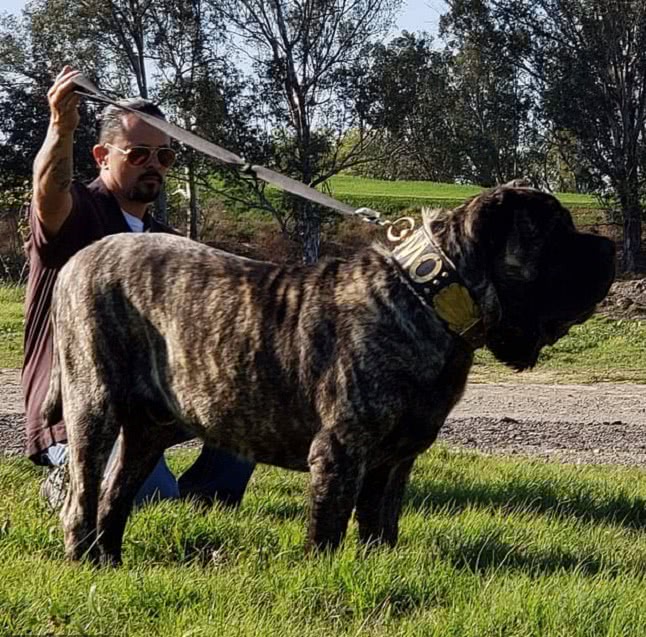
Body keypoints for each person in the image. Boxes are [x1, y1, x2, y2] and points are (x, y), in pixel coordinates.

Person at [22, 66, 255, 510]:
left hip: (148, 405)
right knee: (146, 499)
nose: (153, 165)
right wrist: (60, 127)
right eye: (138, 154)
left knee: (247, 407)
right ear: (101, 156)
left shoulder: (167, 243)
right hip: (78, 414)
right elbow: (47, 192)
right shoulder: (76, 216)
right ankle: (66, 480)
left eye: (164, 157)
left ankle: (205, 506)